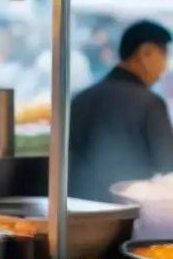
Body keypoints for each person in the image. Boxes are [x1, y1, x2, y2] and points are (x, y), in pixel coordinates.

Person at [70, 20, 173, 202]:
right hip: (127, 215)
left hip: (76, 211)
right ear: (146, 53)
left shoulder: (81, 99)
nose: (164, 68)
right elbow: (168, 166)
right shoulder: (149, 103)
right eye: (164, 55)